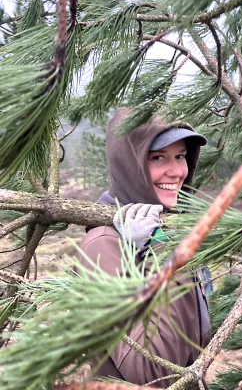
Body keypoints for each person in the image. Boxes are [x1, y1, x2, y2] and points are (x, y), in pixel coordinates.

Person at [77, 108, 211, 387]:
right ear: (130, 164)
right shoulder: (104, 244)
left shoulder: (169, 228)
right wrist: (162, 253)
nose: (177, 172)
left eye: (180, 156)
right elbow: (154, 373)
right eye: (158, 157)